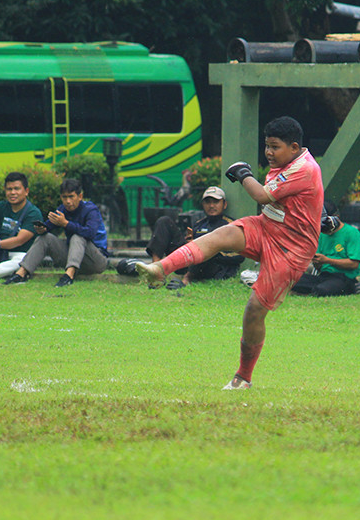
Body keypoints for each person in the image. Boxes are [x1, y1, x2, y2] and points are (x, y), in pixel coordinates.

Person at [135, 116, 323, 389]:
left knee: (254, 311)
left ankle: (243, 377)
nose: (268, 153)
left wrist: (243, 173)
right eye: (266, 146)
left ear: (294, 147)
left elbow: (260, 196)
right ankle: (160, 269)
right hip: (268, 227)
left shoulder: (303, 168)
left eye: (274, 147)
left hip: (291, 249)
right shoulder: (291, 162)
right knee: (220, 235)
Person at [2, 178, 109, 287]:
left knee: (77, 237)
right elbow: (48, 226)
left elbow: (90, 233)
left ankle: (69, 276)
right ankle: (21, 274)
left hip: (96, 261)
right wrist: (42, 229)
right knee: (45, 238)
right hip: (74, 259)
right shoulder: (62, 209)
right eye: (64, 197)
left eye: (71, 197)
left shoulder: (91, 209)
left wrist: (66, 224)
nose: (68, 201)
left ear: (80, 196)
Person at [144, 186, 244, 290]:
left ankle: (186, 281)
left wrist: (209, 250)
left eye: (216, 202)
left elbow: (240, 256)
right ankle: (156, 272)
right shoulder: (199, 224)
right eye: (207, 202)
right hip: (191, 263)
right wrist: (190, 244)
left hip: (215, 267)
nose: (211, 205)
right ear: (203, 205)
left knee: (204, 249)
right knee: (164, 221)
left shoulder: (231, 225)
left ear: (224, 204)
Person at [291, 206, 360, 297]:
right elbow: (319, 267)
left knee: (322, 290)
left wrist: (327, 260)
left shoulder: (352, 233)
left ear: (336, 217)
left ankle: (353, 287)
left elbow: (354, 264)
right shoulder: (321, 234)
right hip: (324, 276)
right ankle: (312, 290)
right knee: (290, 280)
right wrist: (317, 261)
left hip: (344, 277)